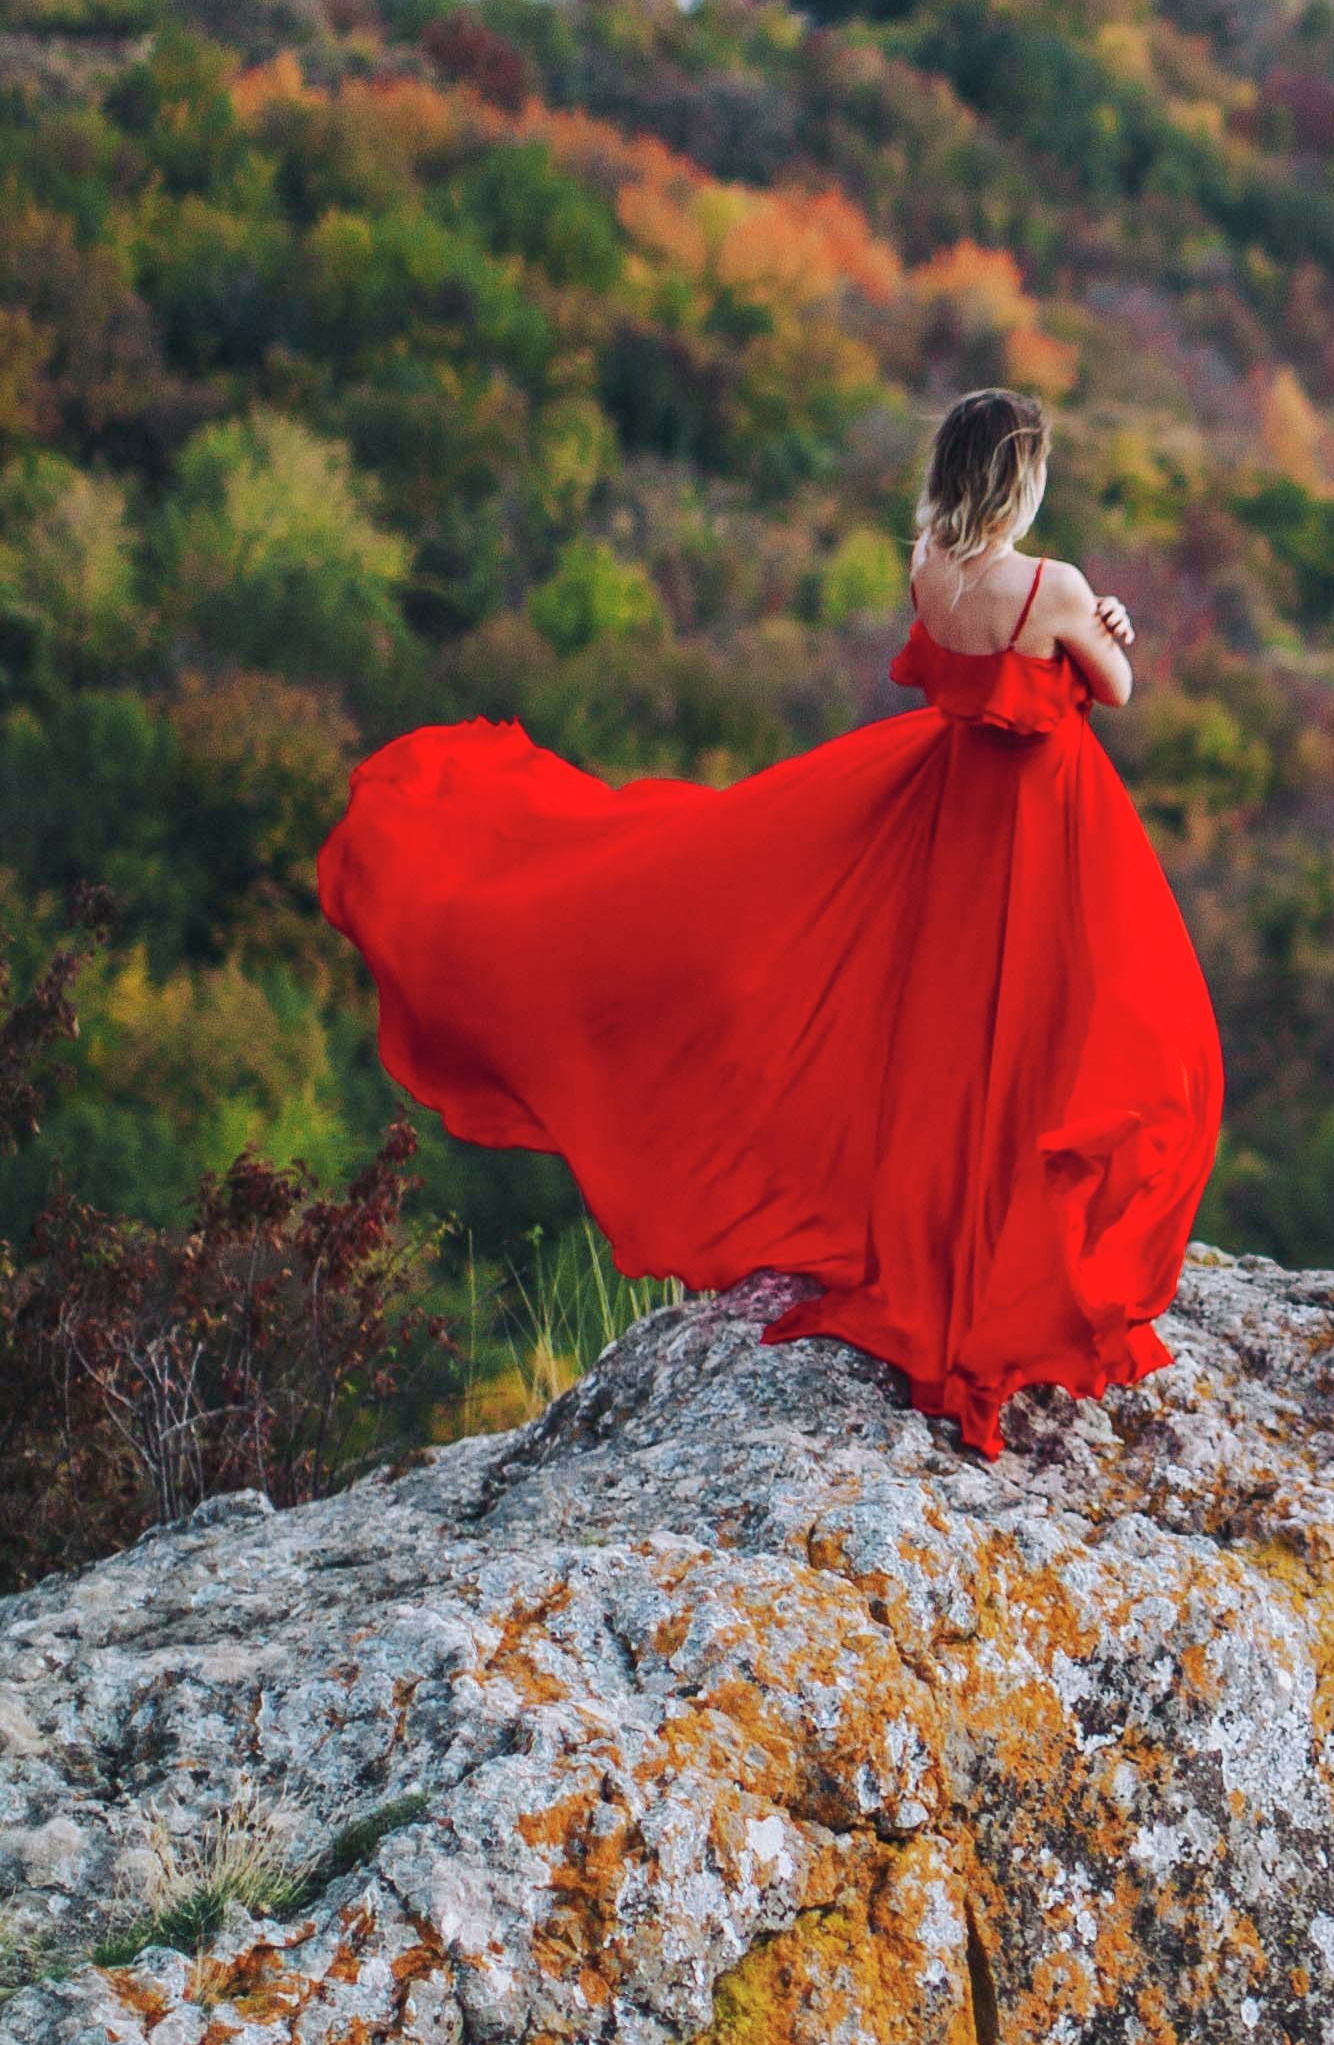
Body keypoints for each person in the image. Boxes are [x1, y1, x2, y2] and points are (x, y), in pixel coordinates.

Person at [317, 386, 1224, 1456]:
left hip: (948, 818)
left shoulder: (930, 566)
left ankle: (950, 1254)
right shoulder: (1056, 586)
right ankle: (1007, 1269)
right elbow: (1111, 690)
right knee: (1080, 1040)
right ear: (1022, 477)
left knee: (945, 1044)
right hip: (1041, 833)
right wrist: (1110, 627)